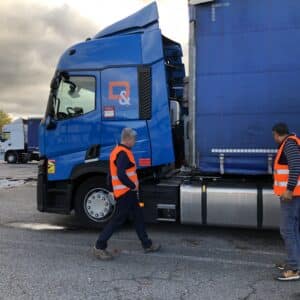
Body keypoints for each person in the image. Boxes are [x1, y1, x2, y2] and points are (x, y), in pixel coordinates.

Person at [93, 128, 161, 260]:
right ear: (128, 139)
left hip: (126, 193)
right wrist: (132, 185)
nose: (135, 142)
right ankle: (99, 246)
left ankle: (147, 244)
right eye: (134, 139)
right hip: (125, 193)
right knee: (117, 220)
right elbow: (120, 174)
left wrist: (114, 189)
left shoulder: (118, 151)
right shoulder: (123, 153)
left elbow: (110, 175)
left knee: (138, 217)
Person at [272, 123, 300, 281]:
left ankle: (294, 269)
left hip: (292, 195)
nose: (274, 138)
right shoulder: (291, 142)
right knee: (293, 230)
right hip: (293, 194)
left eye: (274, 135)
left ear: (276, 134)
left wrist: (289, 189)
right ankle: (294, 261)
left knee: (287, 230)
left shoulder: (289, 144)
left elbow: (296, 166)